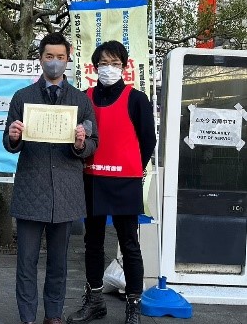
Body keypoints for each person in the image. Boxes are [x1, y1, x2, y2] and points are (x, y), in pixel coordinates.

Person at [3, 32, 98, 324]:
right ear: (40, 58)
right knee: (26, 262)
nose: (54, 63)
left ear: (67, 60)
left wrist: (81, 142)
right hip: (31, 188)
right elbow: (10, 143)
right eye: (49, 56)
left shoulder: (80, 101)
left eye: (60, 57)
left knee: (59, 262)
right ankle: (28, 317)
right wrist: (14, 136)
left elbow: (94, 143)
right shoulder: (23, 97)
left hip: (66, 192)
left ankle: (53, 316)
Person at [67, 41, 156, 324]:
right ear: (94, 67)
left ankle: (133, 304)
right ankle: (94, 301)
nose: (109, 68)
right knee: (92, 242)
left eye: (115, 63)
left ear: (124, 66)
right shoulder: (84, 97)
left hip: (125, 181)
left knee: (129, 243)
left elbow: (148, 140)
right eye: (104, 63)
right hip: (92, 178)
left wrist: (133, 169)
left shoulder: (137, 99)